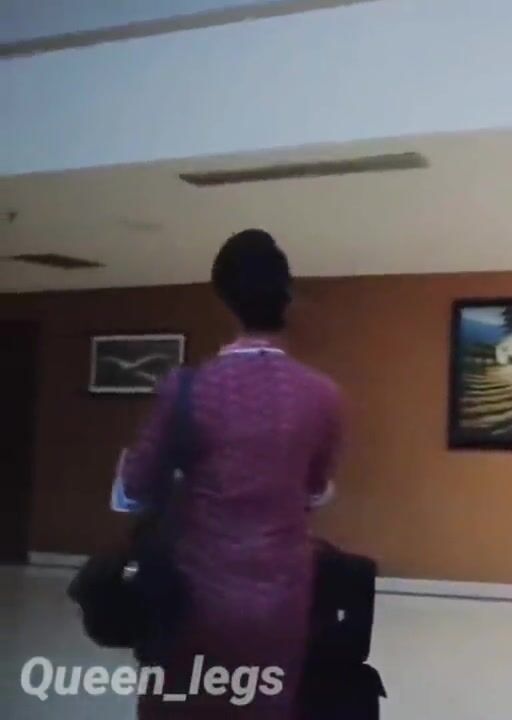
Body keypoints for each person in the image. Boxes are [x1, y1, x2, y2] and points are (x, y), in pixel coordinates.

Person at [116, 229, 343, 719]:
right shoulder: (322, 394)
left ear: (223, 298)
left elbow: (134, 491)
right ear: (286, 296)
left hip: (193, 596)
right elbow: (317, 490)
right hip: (281, 599)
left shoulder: (186, 388)